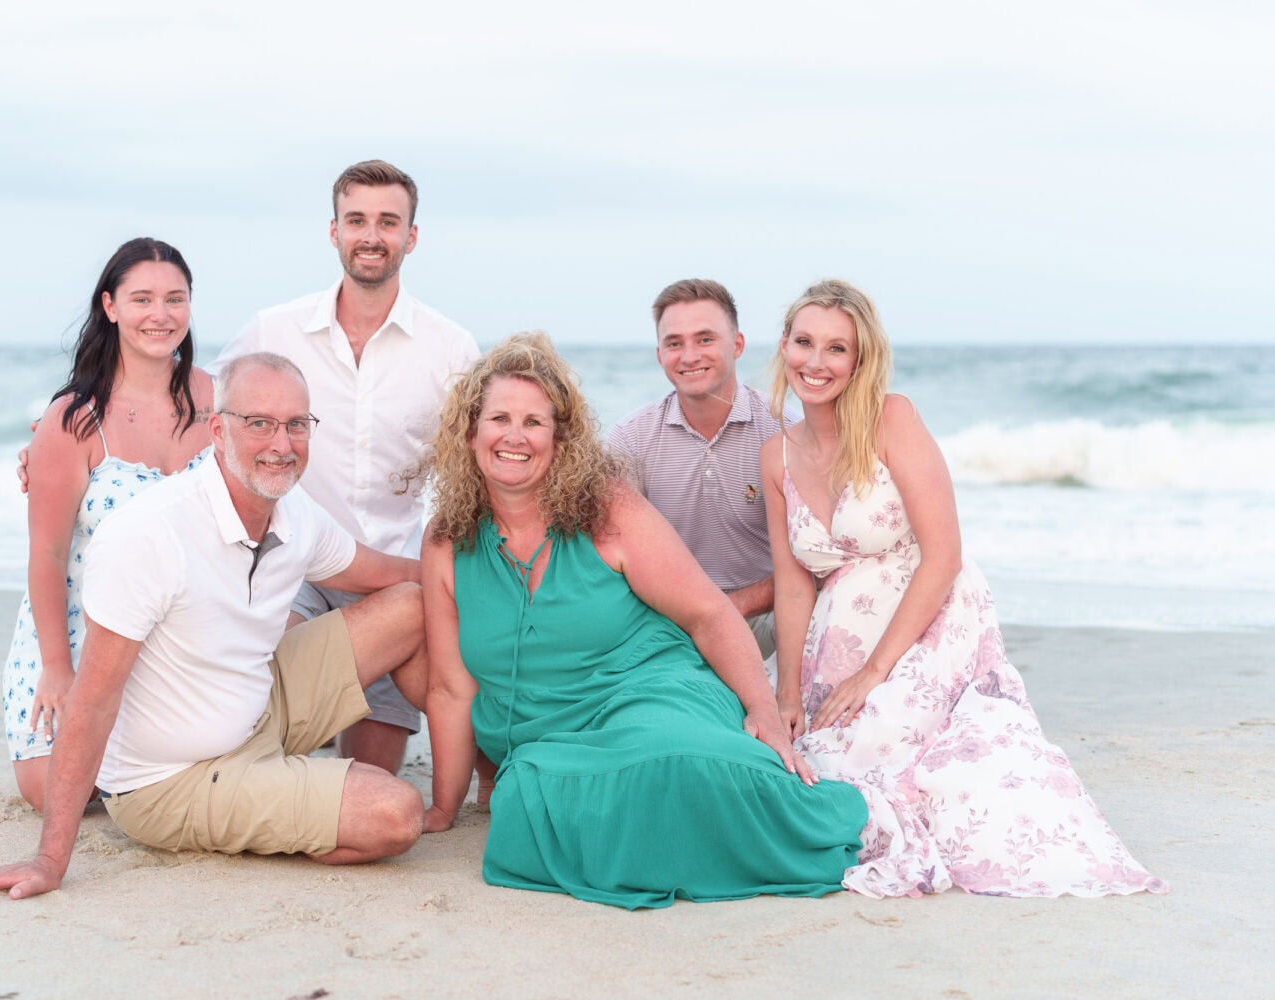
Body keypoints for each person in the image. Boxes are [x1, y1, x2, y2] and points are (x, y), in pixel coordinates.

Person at [0, 353, 428, 899]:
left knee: (413, 603)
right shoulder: (150, 534)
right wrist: (49, 860)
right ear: (218, 431)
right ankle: (275, 803)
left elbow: (390, 573)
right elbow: (93, 701)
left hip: (258, 709)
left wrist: (493, 557)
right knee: (395, 813)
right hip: (171, 779)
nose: (281, 443)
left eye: (296, 425)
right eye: (259, 424)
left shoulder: (294, 512)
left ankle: (489, 764)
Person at [419, 332, 867, 909]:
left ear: (559, 437)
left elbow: (707, 613)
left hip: (652, 693)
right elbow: (451, 688)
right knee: (524, 798)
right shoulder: (446, 542)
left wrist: (764, 711)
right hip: (548, 737)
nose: (514, 436)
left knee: (674, 758)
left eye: (534, 422)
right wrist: (443, 808)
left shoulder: (608, 508)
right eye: (499, 418)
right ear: (471, 431)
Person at [761, 278, 1168, 898]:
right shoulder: (776, 454)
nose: (816, 362)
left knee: (892, 760)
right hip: (832, 638)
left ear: (860, 359)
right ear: (784, 346)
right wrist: (787, 692)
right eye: (804, 342)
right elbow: (793, 586)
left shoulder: (891, 418)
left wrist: (875, 672)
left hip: (927, 620)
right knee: (793, 754)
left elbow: (944, 554)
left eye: (836, 349)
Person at [210, 160, 478, 774]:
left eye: (388, 222)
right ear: (333, 231)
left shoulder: (450, 347)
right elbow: (199, 410)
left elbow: (484, 463)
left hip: (393, 571)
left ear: (411, 236)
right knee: (262, 731)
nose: (371, 235)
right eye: (356, 220)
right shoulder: (273, 329)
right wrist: (67, 425)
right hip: (292, 563)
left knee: (370, 771)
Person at [3, 237, 213, 812]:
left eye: (175, 299)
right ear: (110, 306)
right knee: (55, 790)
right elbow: (46, 555)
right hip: (81, 631)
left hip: (176, 630)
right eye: (142, 299)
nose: (160, 315)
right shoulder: (73, 420)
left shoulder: (215, 399)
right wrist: (55, 668)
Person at [608, 279, 801, 664]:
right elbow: (615, 558)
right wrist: (693, 615)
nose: (689, 355)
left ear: (738, 345)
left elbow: (810, 560)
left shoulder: (786, 433)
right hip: (672, 622)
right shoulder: (629, 440)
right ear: (660, 354)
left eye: (705, 339)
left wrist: (731, 607)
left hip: (770, 618)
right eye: (674, 343)